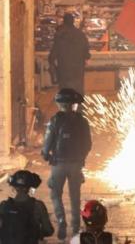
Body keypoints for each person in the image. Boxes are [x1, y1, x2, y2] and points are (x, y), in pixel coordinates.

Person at [41, 88, 92, 240]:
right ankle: (76, 227)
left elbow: (48, 142)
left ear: (60, 104)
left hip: (58, 164)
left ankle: (62, 222)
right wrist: (81, 158)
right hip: (76, 165)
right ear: (74, 104)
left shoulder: (55, 120)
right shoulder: (82, 121)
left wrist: (45, 154)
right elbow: (88, 144)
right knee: (75, 196)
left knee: (55, 194)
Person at [0, 170, 54, 243]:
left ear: (14, 187)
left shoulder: (4, 205)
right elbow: (48, 231)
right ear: (30, 188)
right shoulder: (38, 206)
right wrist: (36, 234)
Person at [48, 13, 91, 94]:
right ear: (73, 21)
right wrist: (87, 57)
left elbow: (55, 49)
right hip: (78, 65)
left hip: (64, 65)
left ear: (64, 21)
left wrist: (51, 60)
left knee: (65, 86)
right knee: (78, 86)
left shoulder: (60, 34)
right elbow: (86, 47)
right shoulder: (80, 34)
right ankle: (78, 104)